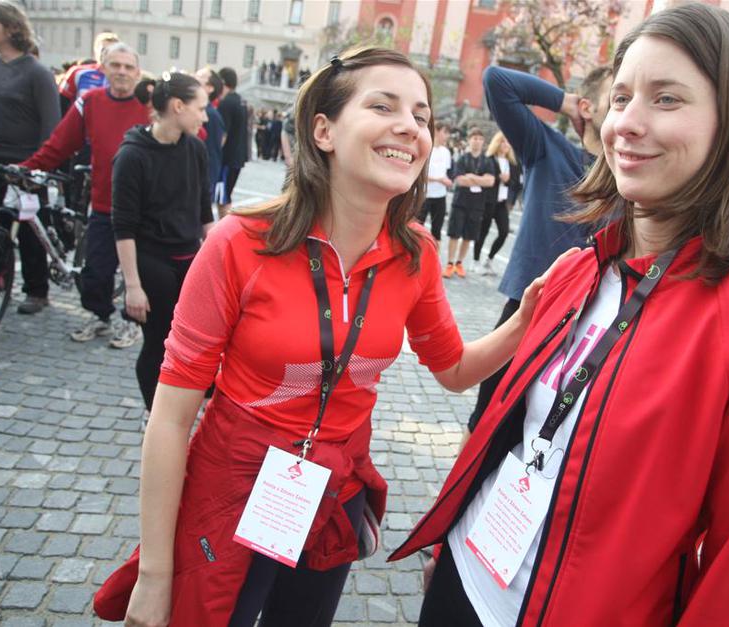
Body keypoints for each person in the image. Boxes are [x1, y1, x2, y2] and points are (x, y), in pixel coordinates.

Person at [93, 47, 563, 626]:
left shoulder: (416, 252)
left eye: (421, 115)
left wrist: (524, 321)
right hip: (231, 482)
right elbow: (169, 419)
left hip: (335, 487)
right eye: (383, 106)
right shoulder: (240, 243)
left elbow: (453, 370)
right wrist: (154, 574)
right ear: (324, 131)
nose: (409, 127)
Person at [393, 5, 729, 626]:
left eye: (666, 99)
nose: (627, 123)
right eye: (621, 98)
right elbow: (505, 428)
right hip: (466, 576)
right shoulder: (574, 270)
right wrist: (451, 538)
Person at [467, 64, 612, 429]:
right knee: (485, 421)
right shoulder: (547, 147)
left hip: (590, 327)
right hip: (525, 313)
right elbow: (497, 81)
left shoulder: (628, 176)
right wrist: (567, 103)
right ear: (588, 107)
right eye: (619, 96)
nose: (628, 106)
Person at [20, 43, 148, 347]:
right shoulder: (90, 102)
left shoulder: (150, 105)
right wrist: (28, 169)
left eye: (128, 67)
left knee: (143, 273)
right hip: (105, 204)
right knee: (95, 273)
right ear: (102, 69)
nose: (122, 72)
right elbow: (60, 144)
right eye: (115, 65)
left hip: (145, 209)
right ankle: (101, 316)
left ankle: (134, 323)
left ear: (138, 72)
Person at [111, 72, 214, 411]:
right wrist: (132, 286)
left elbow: (204, 210)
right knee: (158, 343)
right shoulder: (132, 156)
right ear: (178, 106)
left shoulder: (196, 148)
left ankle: (194, 407)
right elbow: (123, 226)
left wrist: (219, 259)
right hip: (152, 263)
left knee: (199, 341)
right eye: (201, 108)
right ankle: (154, 414)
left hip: (190, 259)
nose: (205, 116)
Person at [0, 0, 61, 314]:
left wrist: (36, 168)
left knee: (29, 231)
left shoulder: (37, 73)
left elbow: (51, 127)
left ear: (10, 28)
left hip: (24, 166)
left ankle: (37, 290)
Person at [443, 127, 497, 279]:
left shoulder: (487, 161)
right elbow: (460, 180)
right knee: (454, 234)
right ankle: (450, 263)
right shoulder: (462, 158)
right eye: (474, 138)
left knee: (468, 236)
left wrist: (472, 177)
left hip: (477, 204)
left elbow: (491, 181)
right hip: (460, 202)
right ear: (469, 140)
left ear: (483, 142)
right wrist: (481, 179)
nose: (477, 141)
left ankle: (459, 263)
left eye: (480, 139)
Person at [474, 131, 519, 276]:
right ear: (497, 143)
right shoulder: (489, 159)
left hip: (501, 203)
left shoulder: (511, 163)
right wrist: (499, 178)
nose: (506, 145)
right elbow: (481, 177)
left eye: (508, 142)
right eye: (503, 141)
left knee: (504, 232)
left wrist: (507, 180)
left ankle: (489, 259)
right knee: (483, 232)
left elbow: (515, 183)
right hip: (487, 201)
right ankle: (475, 261)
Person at [58, 31, 118, 111]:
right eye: (103, 50)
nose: (106, 54)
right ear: (95, 50)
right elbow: (61, 102)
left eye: (110, 51)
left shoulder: (122, 77)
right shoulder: (77, 72)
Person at [216, 66, 248, 218]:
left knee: (222, 198)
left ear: (222, 82)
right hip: (238, 156)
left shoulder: (226, 103)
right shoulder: (241, 101)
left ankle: (224, 230)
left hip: (227, 158)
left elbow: (223, 134)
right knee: (225, 196)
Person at [194, 66, 226, 211]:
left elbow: (212, 154)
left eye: (201, 76)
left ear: (210, 88)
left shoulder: (211, 116)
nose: (195, 77)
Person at [416, 121, 452, 244]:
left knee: (437, 231)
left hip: (440, 196)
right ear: (436, 131)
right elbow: (418, 175)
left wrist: (447, 180)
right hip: (423, 195)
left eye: (448, 133)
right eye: (445, 132)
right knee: (417, 229)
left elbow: (445, 173)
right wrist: (438, 180)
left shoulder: (446, 152)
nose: (447, 136)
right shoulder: (425, 148)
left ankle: (435, 256)